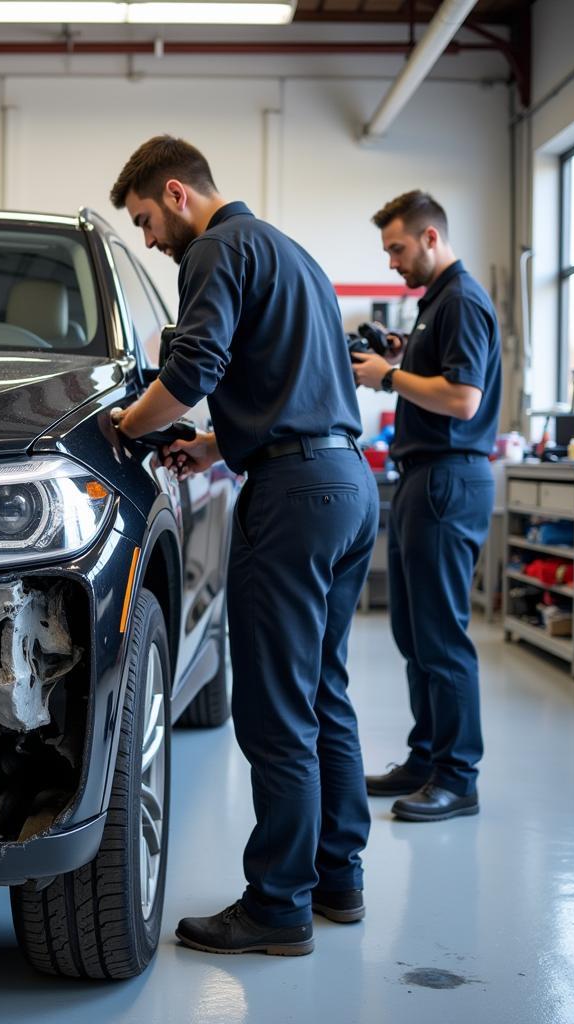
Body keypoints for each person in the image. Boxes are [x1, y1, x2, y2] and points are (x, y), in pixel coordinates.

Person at [109, 135, 378, 956]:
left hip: (294, 501)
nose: (151, 239)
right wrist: (217, 445)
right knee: (322, 690)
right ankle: (338, 880)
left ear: (179, 193)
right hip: (347, 485)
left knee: (271, 707)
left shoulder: (216, 250)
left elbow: (192, 370)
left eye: (148, 219)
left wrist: (124, 426)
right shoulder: (289, 254)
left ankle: (277, 906)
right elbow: (299, 389)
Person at [353, 190, 500, 822]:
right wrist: (402, 356)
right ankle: (425, 758)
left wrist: (387, 377)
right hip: (422, 477)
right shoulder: (435, 303)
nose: (392, 262)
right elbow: (438, 374)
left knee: (441, 637)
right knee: (413, 633)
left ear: (431, 237)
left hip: (449, 478)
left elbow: (463, 399)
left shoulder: (462, 299)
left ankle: (459, 776)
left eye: (398, 248)